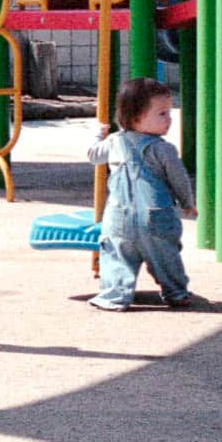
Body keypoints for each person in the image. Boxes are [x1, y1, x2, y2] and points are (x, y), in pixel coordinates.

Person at [86, 77, 196, 311]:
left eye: (168, 113)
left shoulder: (115, 142)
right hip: (155, 217)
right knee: (165, 256)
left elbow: (94, 155)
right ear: (136, 118)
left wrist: (98, 135)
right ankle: (176, 292)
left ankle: (114, 296)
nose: (169, 119)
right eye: (162, 114)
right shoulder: (163, 149)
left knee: (116, 256)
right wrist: (188, 202)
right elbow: (179, 179)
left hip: (118, 217)